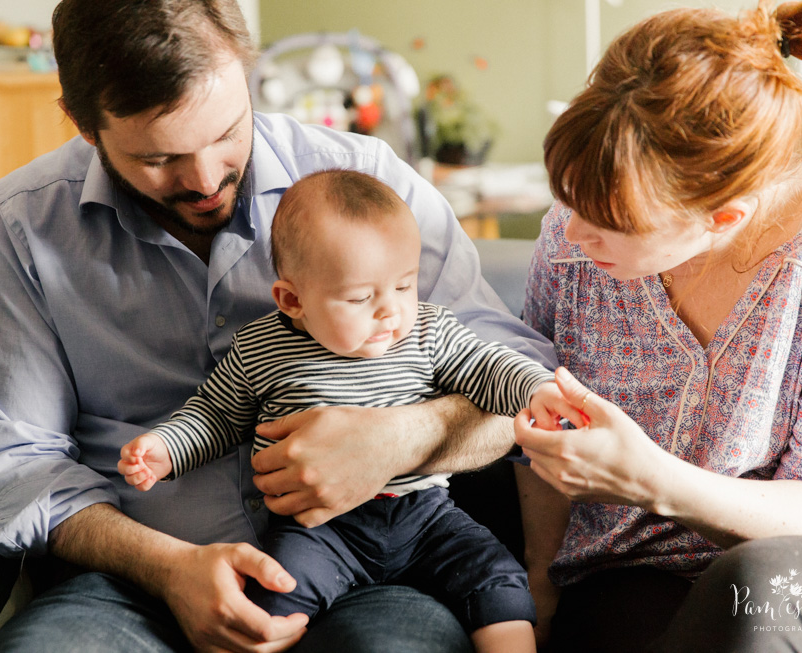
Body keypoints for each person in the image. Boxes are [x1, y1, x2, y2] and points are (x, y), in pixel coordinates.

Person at [0, 2, 558, 652]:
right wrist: (167, 568)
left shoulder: (371, 185)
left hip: (379, 570)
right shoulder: (21, 225)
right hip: (132, 581)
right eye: (160, 158)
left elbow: (523, 399)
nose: (205, 180)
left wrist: (406, 437)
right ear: (83, 124)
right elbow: (25, 461)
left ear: (246, 75)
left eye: (226, 133)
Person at [514, 0, 802, 651]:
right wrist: (538, 594)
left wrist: (650, 478)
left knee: (756, 584)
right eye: (567, 199)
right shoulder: (571, 238)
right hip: (630, 570)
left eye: (609, 223)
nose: (570, 234)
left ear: (724, 219)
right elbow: (536, 436)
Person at [119, 169, 567, 652]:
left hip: (425, 517)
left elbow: (489, 367)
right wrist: (165, 449)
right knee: (269, 599)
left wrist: (535, 389)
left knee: (497, 579)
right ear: (292, 300)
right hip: (318, 529)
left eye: (404, 287)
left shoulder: (429, 333)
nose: (390, 312)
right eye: (359, 297)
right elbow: (214, 416)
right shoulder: (261, 350)